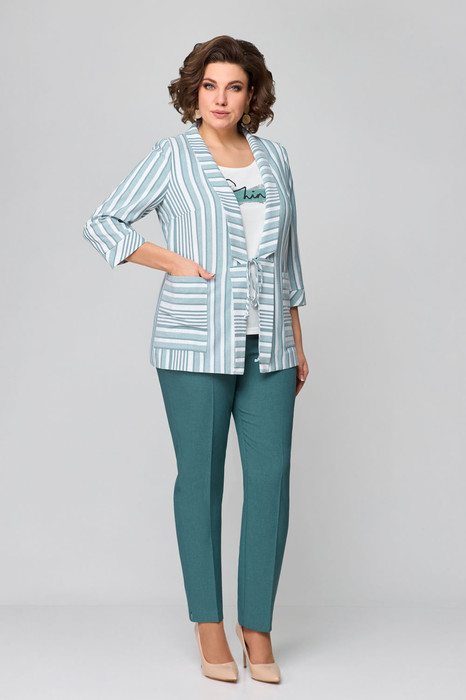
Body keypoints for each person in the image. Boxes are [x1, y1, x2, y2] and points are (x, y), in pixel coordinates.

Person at [83, 34, 309, 684]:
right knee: (202, 480)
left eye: (234, 87)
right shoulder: (172, 157)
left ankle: (256, 625)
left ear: (252, 94)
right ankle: (209, 623)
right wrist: (174, 262)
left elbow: (289, 258)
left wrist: (298, 340)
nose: (220, 98)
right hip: (193, 341)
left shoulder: (275, 158)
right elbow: (104, 223)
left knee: (270, 482)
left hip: (270, 342)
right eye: (210, 86)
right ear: (194, 91)